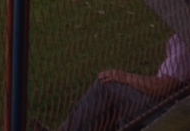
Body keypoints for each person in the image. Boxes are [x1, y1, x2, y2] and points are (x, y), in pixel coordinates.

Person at [31, 34, 190, 131]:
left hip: (169, 110)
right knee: (116, 113)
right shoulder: (183, 26)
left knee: (107, 87)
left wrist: (125, 77)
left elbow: (161, 87)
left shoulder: (185, 38)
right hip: (175, 106)